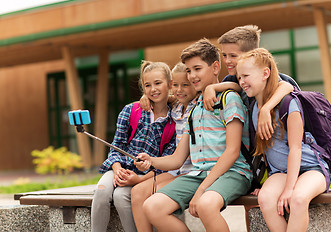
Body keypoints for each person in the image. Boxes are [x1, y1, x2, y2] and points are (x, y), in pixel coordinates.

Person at [135, 38, 252, 232]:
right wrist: (151, 161)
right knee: (152, 206)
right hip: (199, 174)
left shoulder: (229, 99)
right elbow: (177, 159)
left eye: (197, 69)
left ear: (215, 67)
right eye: (188, 71)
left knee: (206, 205)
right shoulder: (194, 109)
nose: (191, 76)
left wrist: (202, 189)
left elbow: (232, 152)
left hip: (233, 172)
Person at [236, 48, 329, 232]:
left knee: (298, 199)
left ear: (265, 73)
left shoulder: (288, 104)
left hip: (311, 168)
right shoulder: (254, 108)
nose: (242, 82)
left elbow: (296, 149)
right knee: (265, 199)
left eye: (246, 75)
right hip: (280, 172)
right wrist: (259, 184)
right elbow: (263, 152)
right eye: (239, 77)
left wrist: (288, 189)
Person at [91, 61, 176, 232]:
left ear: (169, 84)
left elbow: (167, 163)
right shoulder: (131, 111)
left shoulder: (174, 121)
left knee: (121, 196)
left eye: (158, 83)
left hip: (146, 175)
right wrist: (117, 169)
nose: (153, 89)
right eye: (148, 85)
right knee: (101, 191)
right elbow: (116, 146)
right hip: (119, 168)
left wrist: (138, 178)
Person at [130, 62, 199, 232]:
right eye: (175, 85)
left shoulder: (197, 106)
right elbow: (166, 98)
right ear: (170, 85)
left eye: (185, 85)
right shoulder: (175, 107)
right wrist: (146, 98)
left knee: (154, 198)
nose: (179, 89)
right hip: (176, 170)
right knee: (137, 193)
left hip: (192, 170)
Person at [203, 25, 294, 141]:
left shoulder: (267, 78)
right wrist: (212, 88)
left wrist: (266, 109)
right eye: (224, 55)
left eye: (233, 56)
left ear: (251, 54)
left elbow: (287, 86)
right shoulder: (229, 80)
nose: (227, 61)